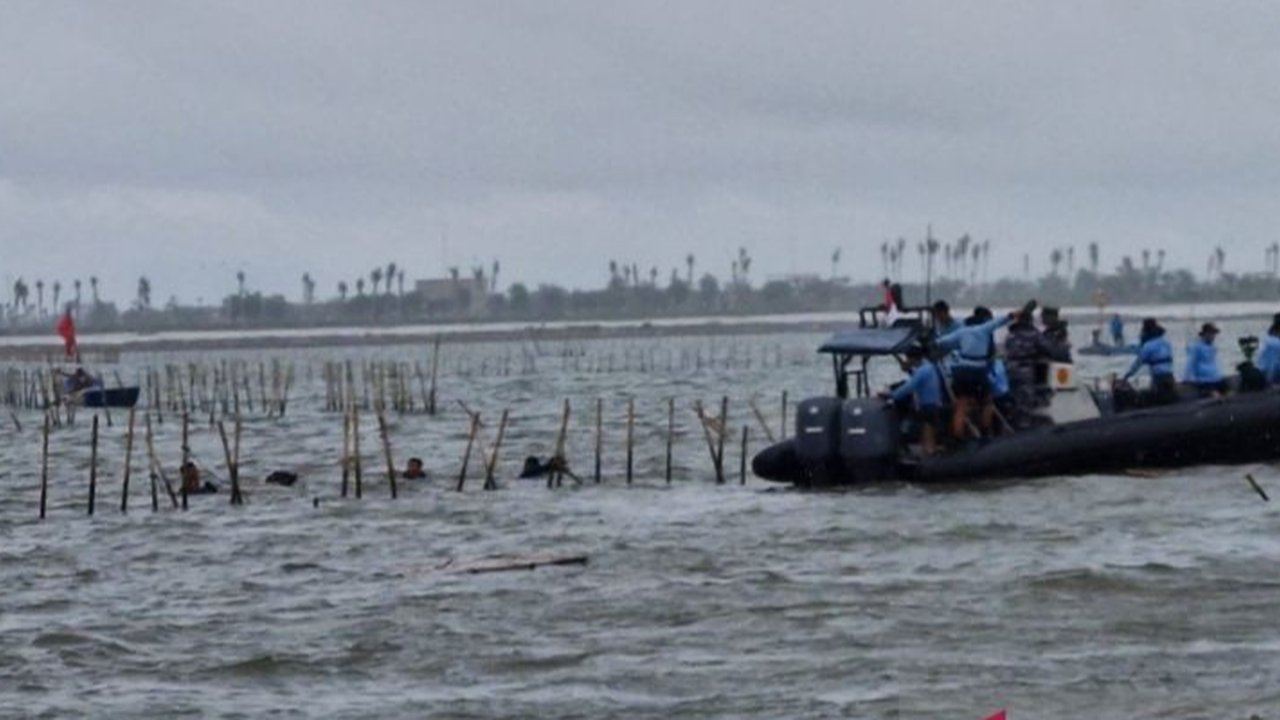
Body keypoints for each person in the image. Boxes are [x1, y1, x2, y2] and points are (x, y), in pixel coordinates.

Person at [937, 306, 1016, 438]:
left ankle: (958, 439)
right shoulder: (983, 329)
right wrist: (1017, 313)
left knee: (961, 406)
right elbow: (1002, 320)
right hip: (977, 372)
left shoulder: (961, 332)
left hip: (960, 373)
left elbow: (941, 342)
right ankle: (985, 435)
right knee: (987, 403)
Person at [880, 345, 943, 454]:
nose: (907, 360)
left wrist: (891, 395)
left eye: (908, 358)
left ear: (913, 358)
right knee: (928, 425)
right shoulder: (928, 366)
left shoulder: (922, 371)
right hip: (933, 401)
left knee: (928, 425)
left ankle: (929, 448)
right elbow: (909, 371)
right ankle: (928, 447)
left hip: (929, 403)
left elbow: (909, 387)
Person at [1004, 308, 1057, 428]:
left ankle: (1012, 423)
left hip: (1010, 369)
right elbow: (1048, 348)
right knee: (1026, 398)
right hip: (1025, 368)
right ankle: (1024, 426)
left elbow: (1007, 349)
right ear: (1030, 321)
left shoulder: (1011, 334)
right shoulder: (1033, 334)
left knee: (1014, 396)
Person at [1122, 318, 1177, 405]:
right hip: (1170, 376)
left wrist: (1127, 375)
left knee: (1154, 400)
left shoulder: (1148, 346)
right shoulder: (1166, 343)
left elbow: (1137, 363)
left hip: (1159, 379)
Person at [1183, 322, 1227, 397]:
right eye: (1211, 334)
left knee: (1229, 390)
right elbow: (1190, 363)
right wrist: (1186, 378)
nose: (1213, 336)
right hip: (1204, 380)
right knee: (1213, 393)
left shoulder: (1213, 347)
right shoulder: (1197, 347)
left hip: (1216, 378)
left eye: (1214, 334)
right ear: (1205, 334)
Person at [1258, 315, 1280, 386]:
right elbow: (1272, 363)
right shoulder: (1275, 343)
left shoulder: (1267, 338)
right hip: (1272, 374)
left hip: (1264, 371)